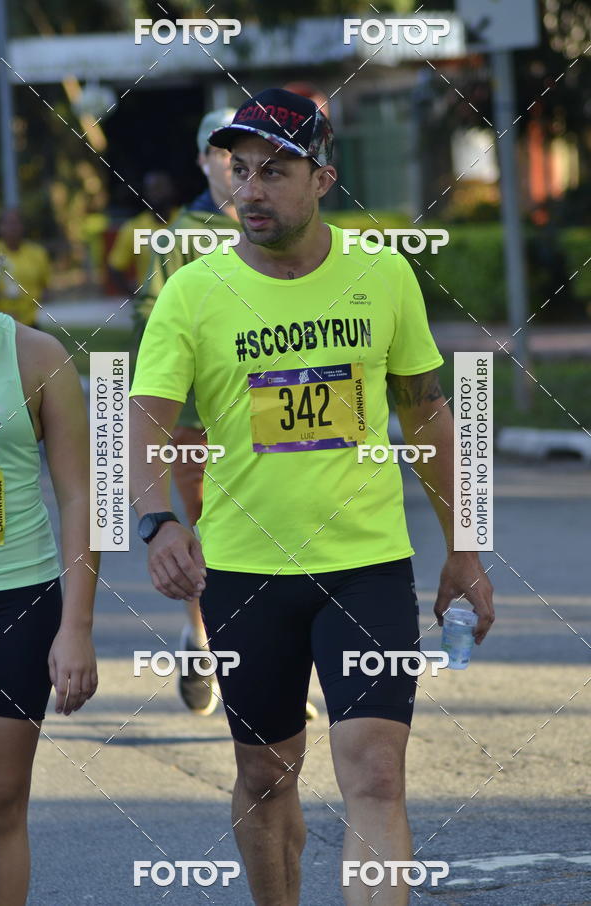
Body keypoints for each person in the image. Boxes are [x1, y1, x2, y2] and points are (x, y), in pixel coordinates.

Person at [129, 87, 494, 906]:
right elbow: (140, 425)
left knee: (375, 772)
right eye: (239, 170)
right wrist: (156, 523)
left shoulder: (382, 274)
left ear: (323, 177)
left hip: (366, 564)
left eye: (274, 172)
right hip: (246, 571)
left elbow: (429, 416)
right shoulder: (194, 293)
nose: (249, 190)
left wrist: (465, 548)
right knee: (266, 775)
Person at [135, 108, 319, 719]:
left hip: (274, 409)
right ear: (205, 162)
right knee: (214, 537)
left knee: (286, 536)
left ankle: (282, 670)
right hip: (197, 422)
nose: (238, 174)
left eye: (263, 165)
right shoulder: (180, 237)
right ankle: (204, 638)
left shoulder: (287, 227)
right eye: (228, 160)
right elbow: (153, 325)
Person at [0, 307, 98, 906]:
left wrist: (76, 626)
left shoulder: (37, 356)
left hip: (17, 603)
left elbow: (84, 495)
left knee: (1, 799)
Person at [107, 171, 177, 296]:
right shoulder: (134, 227)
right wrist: (134, 296)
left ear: (171, 190)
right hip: (151, 308)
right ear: (147, 193)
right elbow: (115, 267)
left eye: (161, 188)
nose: (158, 194)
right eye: (153, 189)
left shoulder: (187, 221)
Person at [0, 210, 50, 328]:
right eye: (7, 223)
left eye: (15, 223)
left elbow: (46, 287)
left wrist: (31, 299)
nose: (12, 228)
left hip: (29, 323)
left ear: (22, 226)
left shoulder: (37, 253)